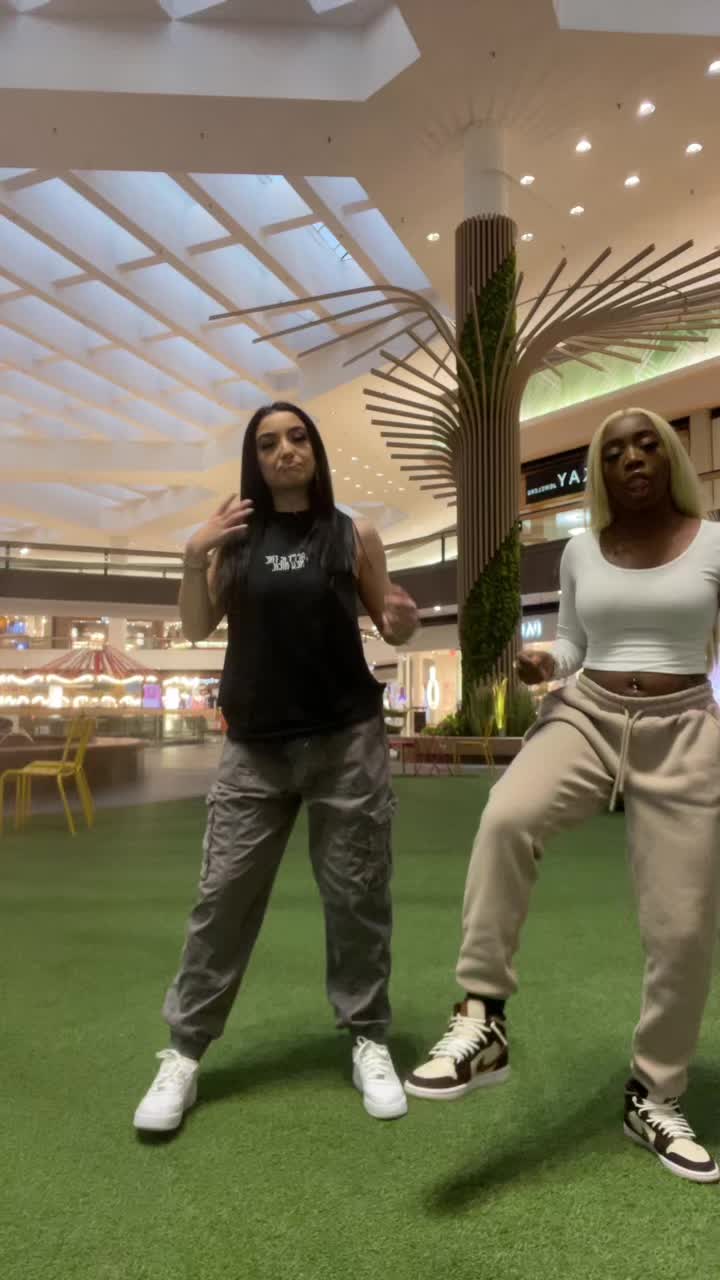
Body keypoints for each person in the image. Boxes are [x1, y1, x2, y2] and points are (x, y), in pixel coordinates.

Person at [406, 408, 720, 1184]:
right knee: (506, 816)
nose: (632, 458)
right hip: (589, 715)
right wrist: (550, 660)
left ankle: (654, 1095)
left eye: (647, 444)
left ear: (671, 456)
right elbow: (578, 641)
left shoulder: (713, 542)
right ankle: (483, 1017)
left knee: (681, 928)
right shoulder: (582, 550)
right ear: (600, 473)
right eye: (614, 452)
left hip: (684, 728)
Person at [134, 402, 418, 1132]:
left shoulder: (353, 534)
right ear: (254, 461)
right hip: (254, 750)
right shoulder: (235, 541)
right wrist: (193, 554)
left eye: (296, 438)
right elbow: (195, 625)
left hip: (346, 742)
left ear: (314, 450)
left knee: (357, 897)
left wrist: (403, 621)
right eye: (267, 443)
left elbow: (389, 622)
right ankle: (184, 1053)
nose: (284, 450)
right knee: (222, 898)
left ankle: (368, 1037)